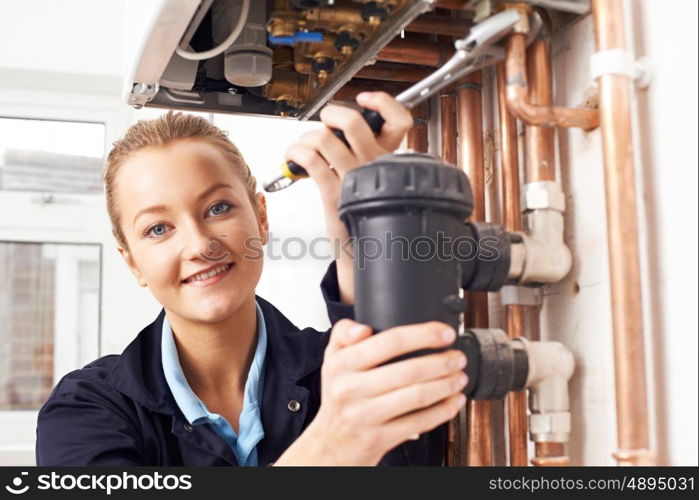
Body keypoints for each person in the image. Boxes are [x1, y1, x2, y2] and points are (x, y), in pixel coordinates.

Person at [35, 92, 468, 466]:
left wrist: (365, 216)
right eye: (158, 229)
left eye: (218, 208)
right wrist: (331, 444)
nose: (200, 244)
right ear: (132, 263)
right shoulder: (86, 410)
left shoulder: (337, 372)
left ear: (261, 217)